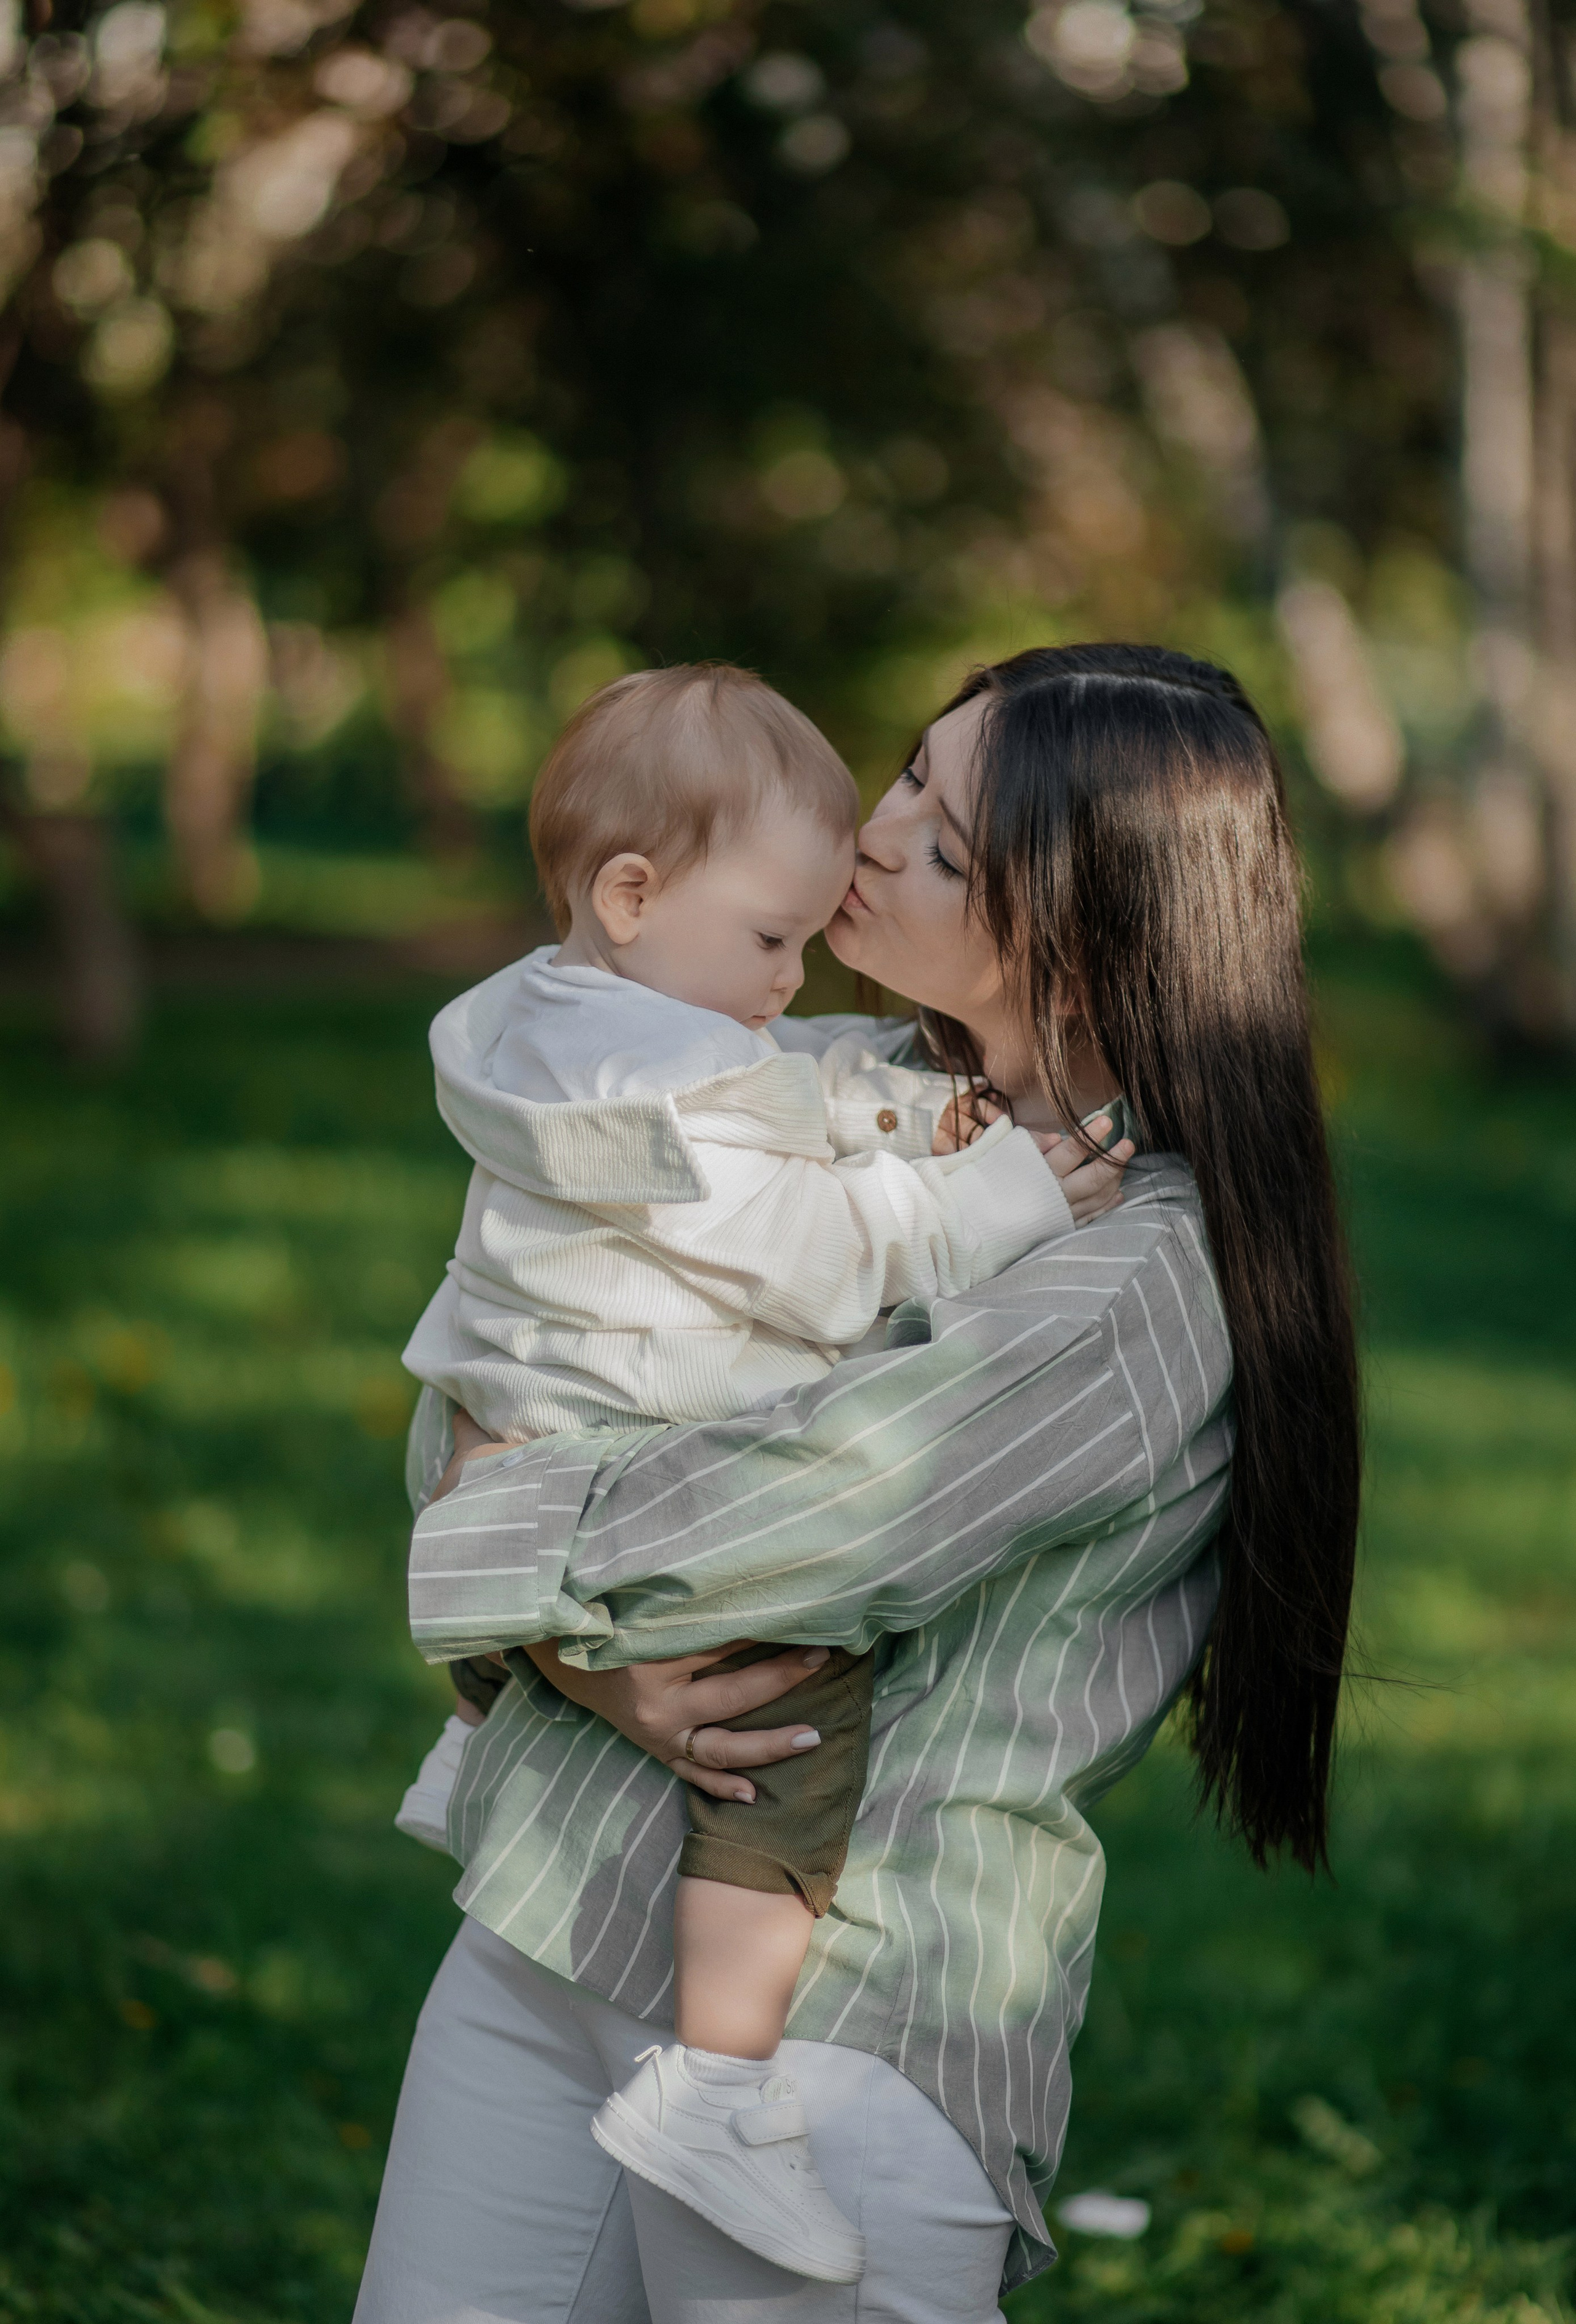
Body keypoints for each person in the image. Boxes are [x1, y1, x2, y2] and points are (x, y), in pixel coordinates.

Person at [356, 644, 1361, 2324]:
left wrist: (509, 1552)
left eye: (949, 842)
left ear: (1097, 928)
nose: (875, 836)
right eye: (906, 775)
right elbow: (499, 1358)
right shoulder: (807, 1084)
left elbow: (801, 1525)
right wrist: (554, 1605)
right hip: (558, 1909)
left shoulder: (1136, 1283)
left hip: (842, 2019)